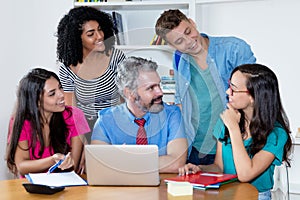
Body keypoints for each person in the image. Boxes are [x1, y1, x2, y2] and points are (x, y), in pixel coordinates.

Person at [155, 9, 256, 165]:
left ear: (192, 22)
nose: (189, 41)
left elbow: (255, 96)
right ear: (171, 46)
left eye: (188, 32)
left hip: (233, 146)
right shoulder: (179, 58)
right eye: (180, 41)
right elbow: (180, 100)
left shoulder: (234, 49)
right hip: (196, 148)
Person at [178, 64, 292, 200]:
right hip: (226, 193)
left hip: (257, 196)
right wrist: (200, 169)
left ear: (253, 96)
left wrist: (233, 128)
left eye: (234, 89)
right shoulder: (226, 121)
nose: (227, 92)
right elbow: (219, 167)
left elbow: (245, 174)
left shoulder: (276, 134)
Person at [91, 56, 188, 173]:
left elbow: (176, 163)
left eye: (159, 85)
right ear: (130, 93)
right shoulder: (105, 121)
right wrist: (154, 162)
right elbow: (98, 165)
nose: (160, 92)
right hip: (120, 189)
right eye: (151, 88)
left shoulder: (172, 114)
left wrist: (127, 160)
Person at [56, 6, 126, 142]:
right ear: (77, 38)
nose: (100, 36)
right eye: (90, 34)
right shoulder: (67, 68)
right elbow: (72, 111)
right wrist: (82, 143)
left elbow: (126, 97)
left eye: (100, 29)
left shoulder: (116, 57)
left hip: (115, 124)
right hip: (86, 127)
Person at [6, 68, 90, 178]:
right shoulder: (22, 122)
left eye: (60, 88)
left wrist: (67, 162)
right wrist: (52, 160)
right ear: (36, 101)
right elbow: (22, 166)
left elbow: (73, 166)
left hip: (66, 184)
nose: (61, 95)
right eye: (52, 94)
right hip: (32, 186)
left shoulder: (75, 116)